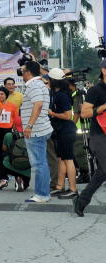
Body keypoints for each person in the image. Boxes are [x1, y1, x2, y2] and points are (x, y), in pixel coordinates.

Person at [73, 60, 106, 216]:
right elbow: (85, 113)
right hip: (98, 134)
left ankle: (81, 200)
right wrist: (103, 107)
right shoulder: (95, 91)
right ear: (104, 70)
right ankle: (82, 200)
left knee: (102, 172)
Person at [20, 61, 53, 203]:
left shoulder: (34, 85)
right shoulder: (40, 84)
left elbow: (38, 105)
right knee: (42, 162)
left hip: (36, 130)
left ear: (28, 72)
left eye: (22, 71)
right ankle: (43, 192)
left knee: (39, 164)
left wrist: (29, 126)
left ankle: (42, 194)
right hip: (41, 128)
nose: (21, 74)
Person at [47, 68, 77, 199]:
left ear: (54, 81)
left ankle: (73, 188)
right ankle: (60, 186)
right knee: (61, 159)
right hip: (60, 131)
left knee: (68, 160)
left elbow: (67, 115)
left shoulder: (62, 95)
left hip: (66, 130)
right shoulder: (57, 93)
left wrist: (52, 113)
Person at [0, 87, 20, 190]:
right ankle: (3, 178)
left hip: (8, 133)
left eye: (2, 94)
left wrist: (14, 133)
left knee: (9, 156)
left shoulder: (12, 106)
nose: (0, 96)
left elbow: (15, 121)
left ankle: (17, 177)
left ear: (6, 95)